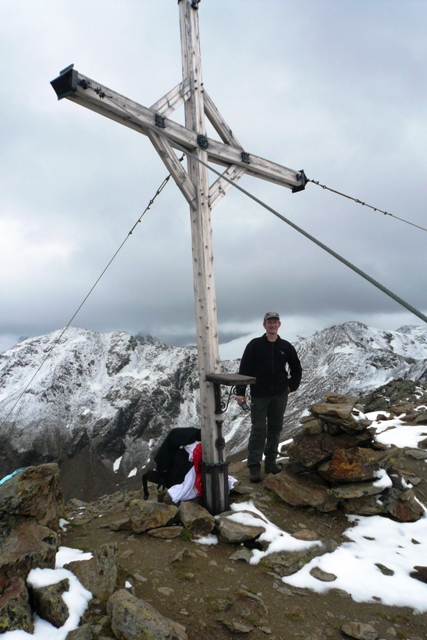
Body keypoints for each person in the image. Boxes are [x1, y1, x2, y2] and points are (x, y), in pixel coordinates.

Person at [235, 312, 302, 483]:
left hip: (280, 395)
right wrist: (240, 392)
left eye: (275, 322)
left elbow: (296, 368)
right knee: (258, 429)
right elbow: (245, 369)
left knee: (275, 428)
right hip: (259, 395)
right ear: (264, 325)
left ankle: (270, 463)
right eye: (269, 322)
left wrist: (290, 386)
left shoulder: (285, 346)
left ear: (279, 324)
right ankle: (254, 467)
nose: (272, 325)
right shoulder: (255, 345)